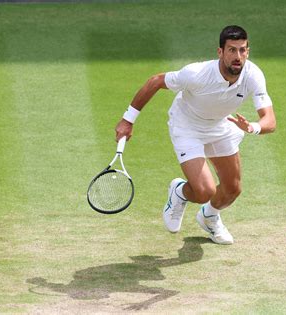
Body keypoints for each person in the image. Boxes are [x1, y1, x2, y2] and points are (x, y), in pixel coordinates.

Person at [115, 25, 276, 245]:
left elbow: (270, 120)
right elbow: (155, 81)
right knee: (204, 191)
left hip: (220, 125)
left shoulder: (253, 75)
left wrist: (253, 127)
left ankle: (209, 217)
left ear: (248, 51)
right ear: (220, 52)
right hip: (187, 126)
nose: (237, 56)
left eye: (242, 50)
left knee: (232, 190)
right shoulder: (196, 74)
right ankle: (179, 192)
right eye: (231, 50)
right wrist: (127, 120)